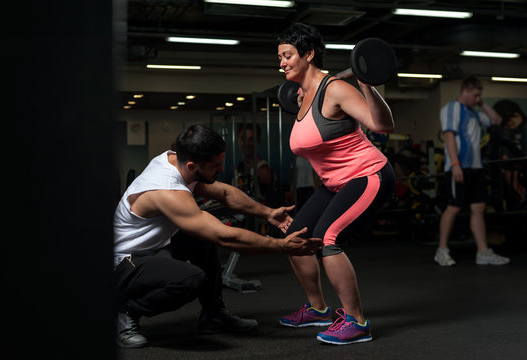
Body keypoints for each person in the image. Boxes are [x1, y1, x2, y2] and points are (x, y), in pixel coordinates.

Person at [113, 124, 322, 348]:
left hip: (156, 248)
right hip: (125, 262)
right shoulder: (166, 190)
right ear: (192, 165)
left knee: (201, 239)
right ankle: (125, 311)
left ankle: (213, 314)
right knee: (190, 278)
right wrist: (282, 246)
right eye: (216, 165)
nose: (221, 168)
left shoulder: (175, 159)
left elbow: (223, 193)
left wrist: (268, 213)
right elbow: (224, 236)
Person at [276, 23, 396, 345]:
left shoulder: (336, 90)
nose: (282, 63)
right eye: (281, 57)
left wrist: (367, 86)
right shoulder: (303, 96)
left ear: (309, 54)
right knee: (296, 237)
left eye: (288, 55)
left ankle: (357, 321)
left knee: (327, 236)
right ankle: (317, 309)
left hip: (368, 174)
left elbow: (382, 126)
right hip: (334, 184)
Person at [435, 76, 510, 266]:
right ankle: (441, 250)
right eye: (476, 95)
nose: (478, 99)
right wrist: (455, 164)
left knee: (479, 208)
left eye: (480, 96)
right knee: (453, 208)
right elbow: (449, 135)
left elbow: (497, 120)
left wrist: (481, 103)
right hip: (459, 166)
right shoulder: (452, 108)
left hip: (476, 167)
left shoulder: (475, 113)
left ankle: (483, 252)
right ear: (465, 91)